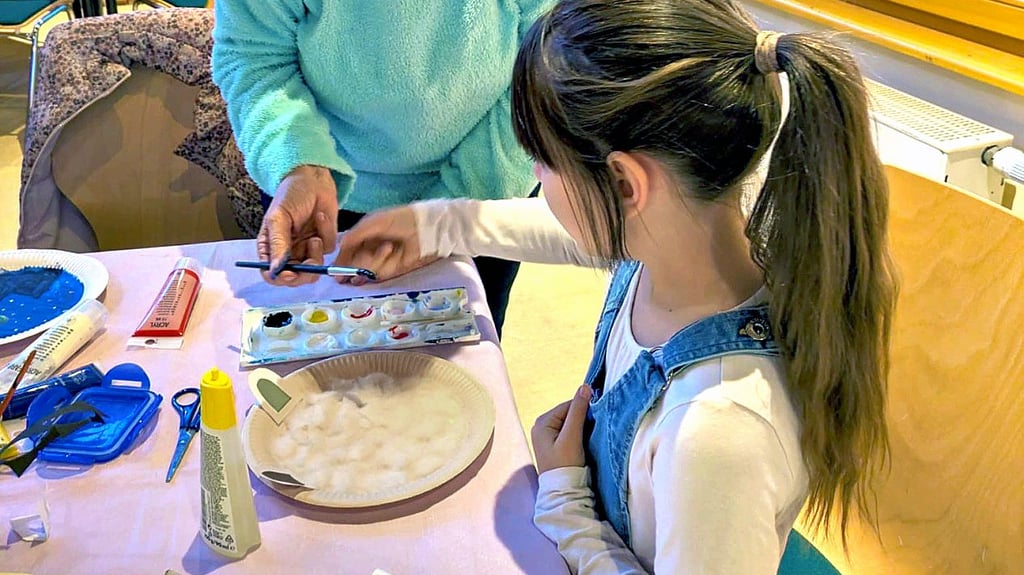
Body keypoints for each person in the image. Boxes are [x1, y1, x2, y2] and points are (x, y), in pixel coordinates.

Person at [333, 0, 898, 572]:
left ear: (626, 185)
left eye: (543, 160)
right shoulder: (684, 242)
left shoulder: (717, 434)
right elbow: (571, 232)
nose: (535, 176)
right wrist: (438, 224)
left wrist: (566, 502)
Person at [210, 0, 555, 338]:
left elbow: (549, 65)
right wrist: (298, 164)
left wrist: (447, 217)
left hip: (486, 181)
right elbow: (253, 57)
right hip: (323, 190)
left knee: (467, 353)